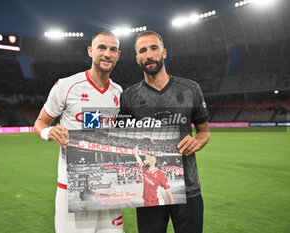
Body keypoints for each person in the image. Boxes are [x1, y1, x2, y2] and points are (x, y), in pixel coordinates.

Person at [120, 31, 210, 233]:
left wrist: (197, 142)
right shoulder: (128, 97)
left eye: (154, 48)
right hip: (150, 193)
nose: (149, 54)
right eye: (143, 50)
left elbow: (204, 132)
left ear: (164, 52)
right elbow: (123, 140)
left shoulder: (190, 89)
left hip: (188, 187)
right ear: (137, 58)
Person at [34, 31, 124, 233]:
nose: (107, 54)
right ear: (91, 51)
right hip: (73, 187)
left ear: (119, 55)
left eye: (113, 49)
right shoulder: (66, 86)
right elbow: (40, 122)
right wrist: (48, 133)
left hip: (109, 185)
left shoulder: (119, 92)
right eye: (101, 47)